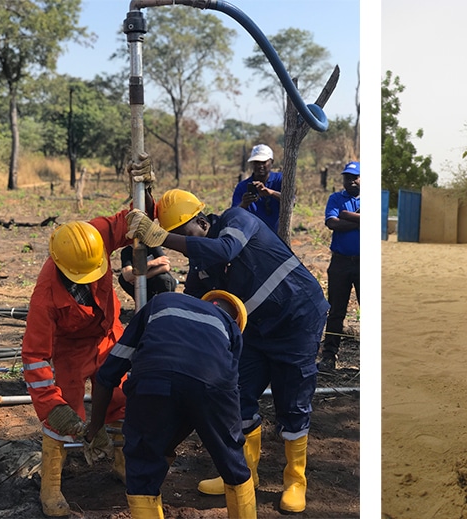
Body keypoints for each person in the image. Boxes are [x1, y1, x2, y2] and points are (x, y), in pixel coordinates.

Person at [126, 185, 330, 513]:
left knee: (293, 401)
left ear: (203, 222)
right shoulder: (200, 266)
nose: (184, 246)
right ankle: (246, 473)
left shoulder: (238, 221)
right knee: (238, 398)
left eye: (183, 235)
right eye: (176, 239)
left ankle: (295, 479)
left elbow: (224, 250)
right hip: (255, 333)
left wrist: (162, 237)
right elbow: (190, 306)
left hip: (297, 320)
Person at [21, 158, 155, 517]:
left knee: (120, 400)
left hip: (109, 337)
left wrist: (145, 191)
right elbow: (34, 358)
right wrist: (55, 409)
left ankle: (121, 463)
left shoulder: (92, 237)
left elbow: (134, 221)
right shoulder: (46, 296)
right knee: (66, 417)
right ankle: (51, 487)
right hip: (69, 352)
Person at [84, 290, 256, 519]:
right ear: (237, 319)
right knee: (232, 461)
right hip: (212, 386)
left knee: (142, 466)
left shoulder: (162, 302)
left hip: (153, 381)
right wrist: (226, 440)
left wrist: (94, 428)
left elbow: (107, 376)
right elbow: (219, 395)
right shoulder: (231, 330)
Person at [319, 161, 360, 372]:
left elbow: (340, 218)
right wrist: (360, 220)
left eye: (355, 177)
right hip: (340, 262)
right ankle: (329, 356)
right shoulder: (335, 198)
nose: (351, 181)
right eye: (347, 177)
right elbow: (332, 223)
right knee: (336, 311)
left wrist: (346, 215)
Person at [231, 143, 284, 232]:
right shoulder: (242, 187)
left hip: (277, 233)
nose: (260, 166)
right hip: (253, 235)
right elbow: (233, 215)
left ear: (272, 162)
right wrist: (244, 203)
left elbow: (292, 201)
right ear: (252, 164)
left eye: (263, 162)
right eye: (256, 162)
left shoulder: (280, 180)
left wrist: (271, 193)